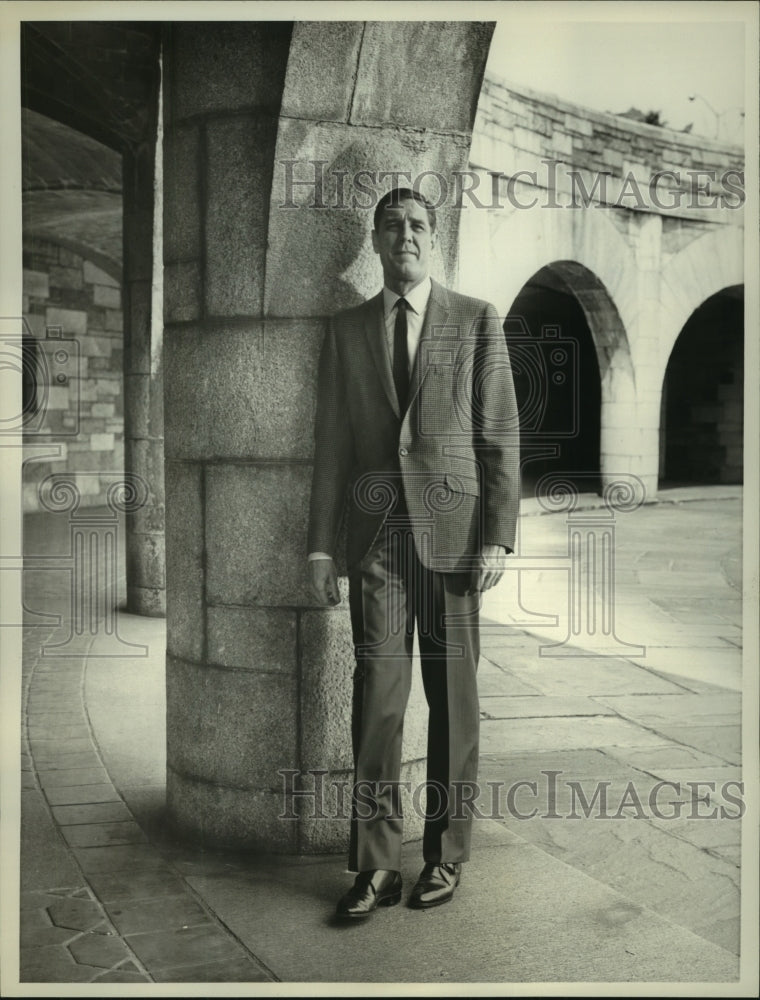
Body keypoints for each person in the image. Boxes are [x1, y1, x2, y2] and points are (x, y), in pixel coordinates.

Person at [307, 187, 520, 919]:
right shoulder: (347, 329)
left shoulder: (476, 320)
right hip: (375, 546)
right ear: (374, 240)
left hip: (456, 542)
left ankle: (446, 854)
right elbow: (331, 445)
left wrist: (497, 533)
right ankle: (372, 868)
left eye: (419, 225)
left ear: (436, 239)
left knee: (455, 704)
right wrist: (318, 548)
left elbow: (498, 434)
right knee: (377, 701)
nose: (407, 235)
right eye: (393, 224)